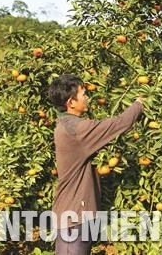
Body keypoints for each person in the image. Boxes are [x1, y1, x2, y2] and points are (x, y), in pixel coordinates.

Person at [47, 74, 144, 254]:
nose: (87, 98)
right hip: (74, 216)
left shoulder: (67, 124)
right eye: (83, 94)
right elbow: (120, 123)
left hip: (76, 213)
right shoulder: (77, 129)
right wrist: (139, 103)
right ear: (71, 102)